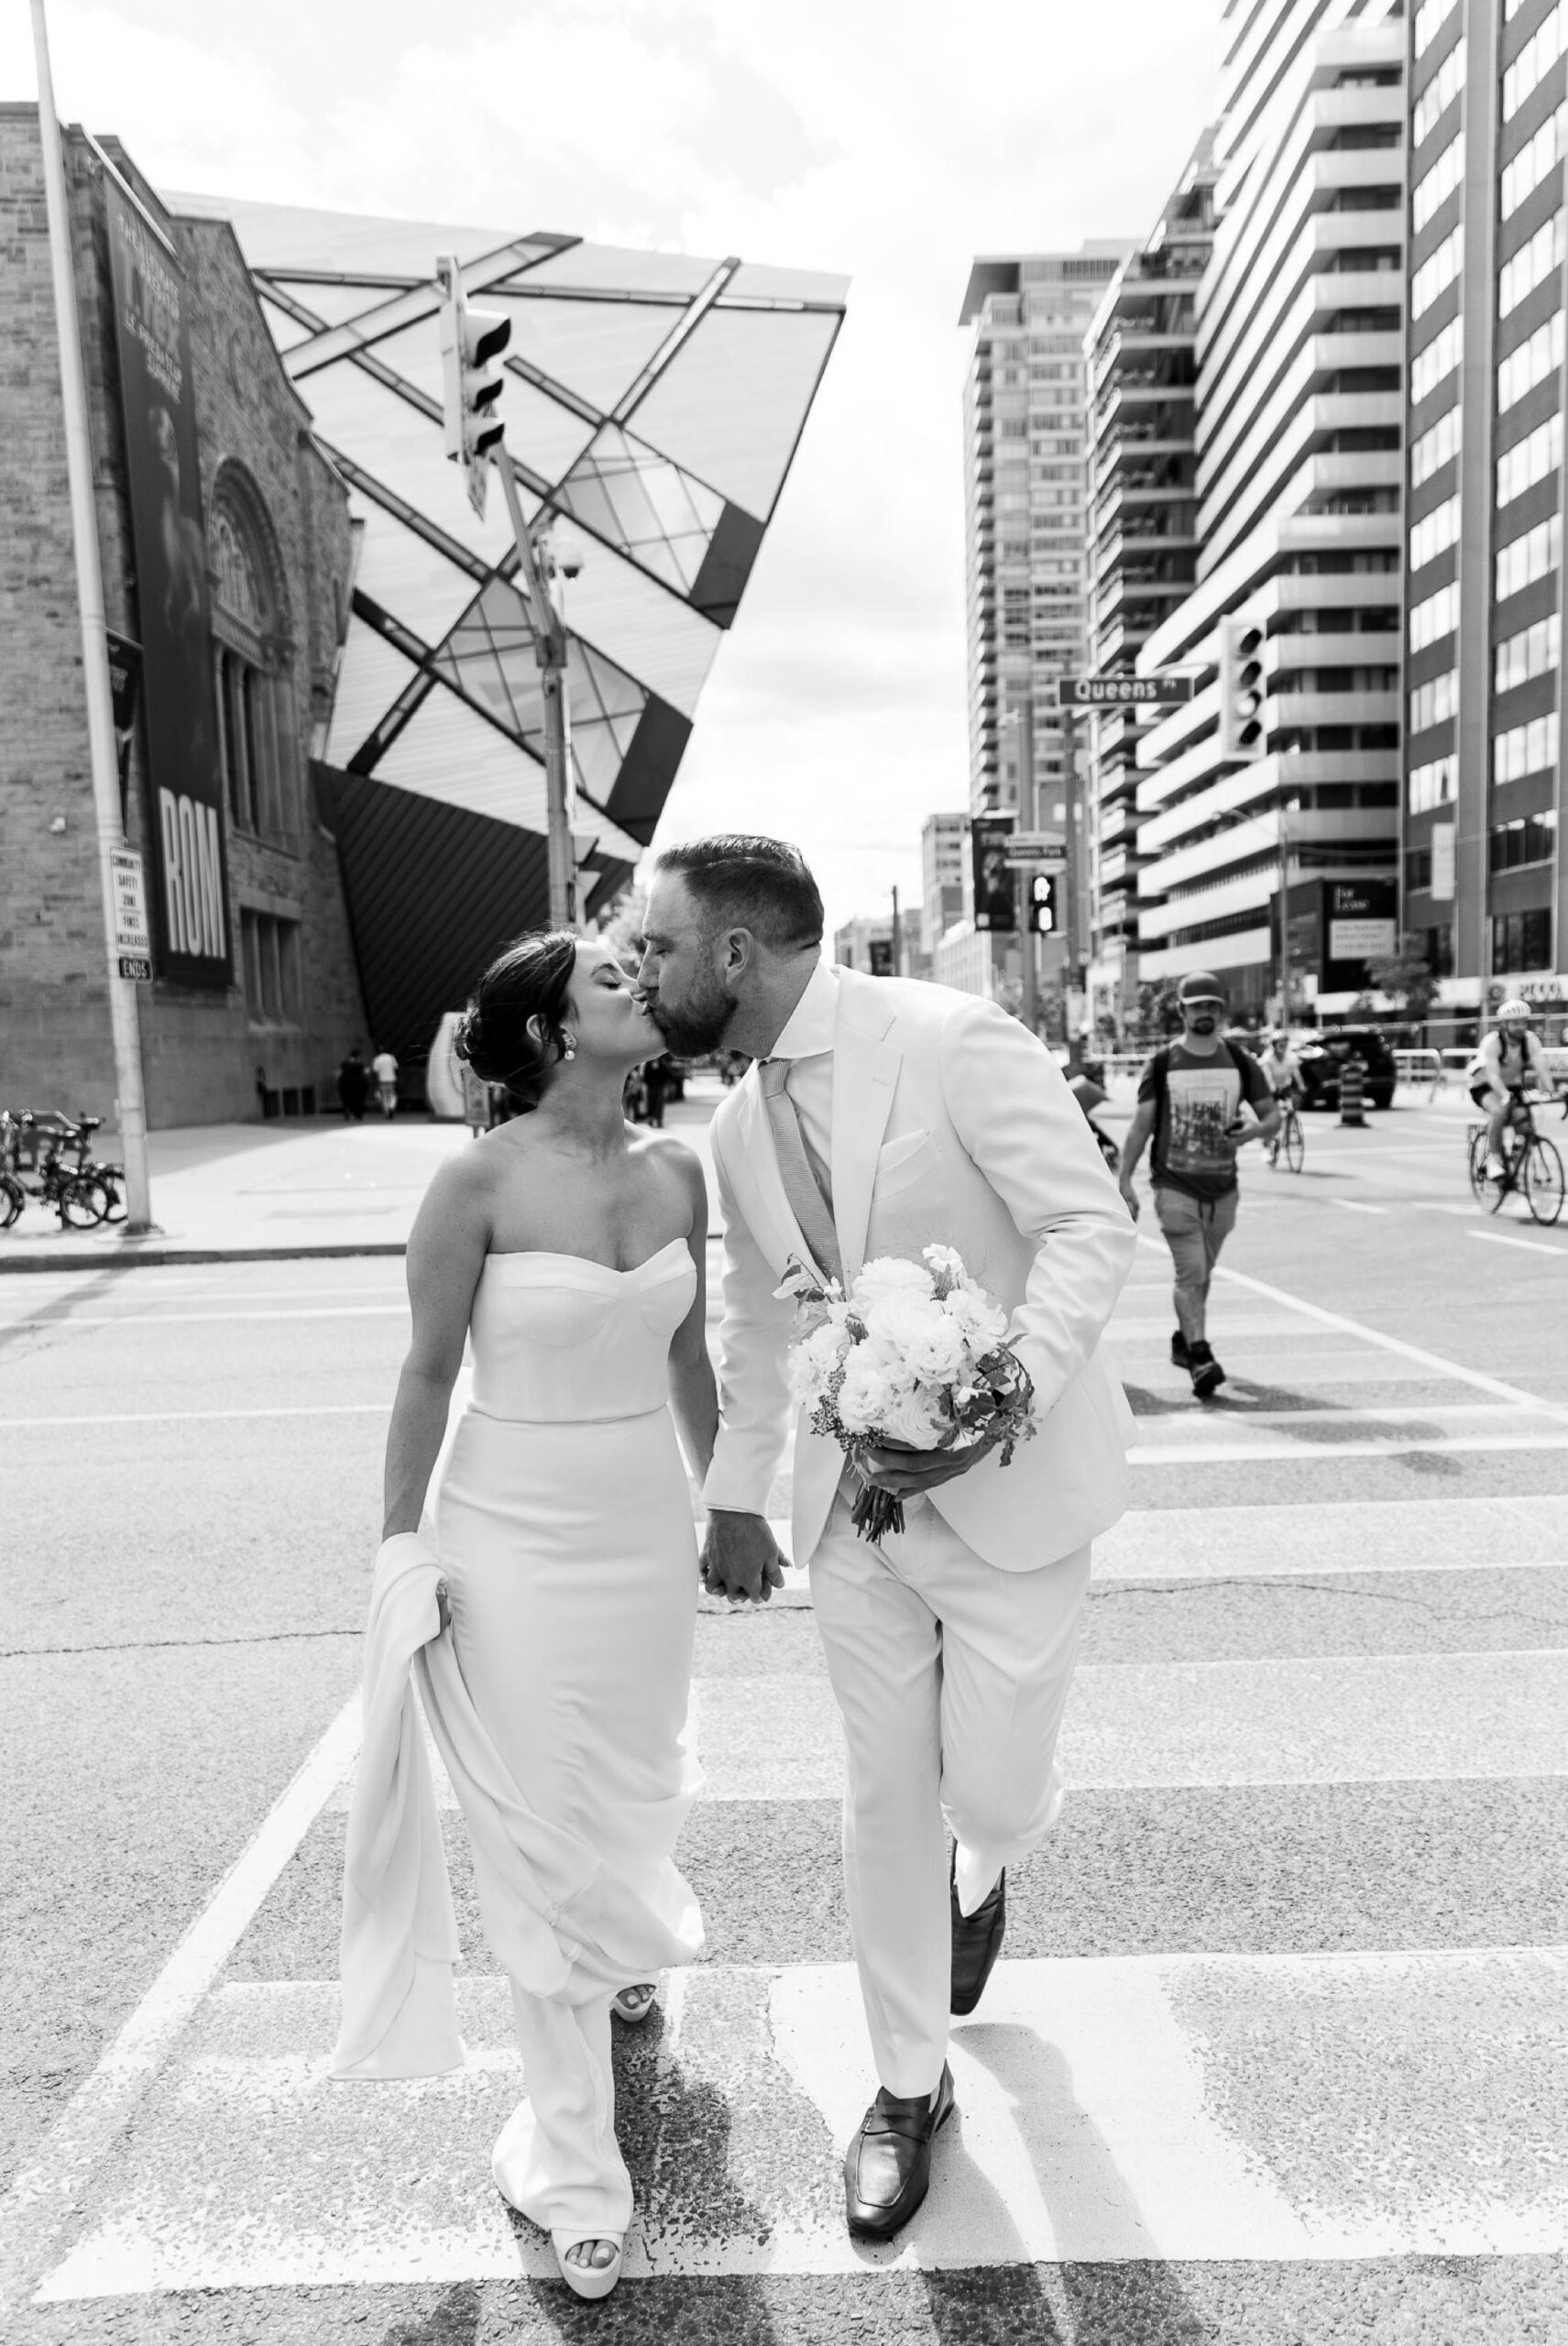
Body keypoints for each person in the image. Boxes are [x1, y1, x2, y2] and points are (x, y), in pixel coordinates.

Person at [636, 835, 1135, 2245]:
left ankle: (988, 1864)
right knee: (876, 1796)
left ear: (734, 953)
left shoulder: (951, 1040)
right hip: (849, 1511)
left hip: (1010, 1492)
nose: (643, 966)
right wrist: (733, 1493)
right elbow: (750, 1315)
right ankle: (904, 2089)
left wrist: (1002, 1396)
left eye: (659, 944)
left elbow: (1084, 1226)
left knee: (987, 1785)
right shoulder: (734, 1125)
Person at [334, 933, 717, 2301]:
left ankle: (623, 1944)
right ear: (550, 1031)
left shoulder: (681, 1170)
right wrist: (398, 1548)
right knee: (540, 1827)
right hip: (510, 1529)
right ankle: (572, 2171)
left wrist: (728, 1500)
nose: (642, 986)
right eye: (613, 977)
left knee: (636, 1778)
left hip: (640, 1523)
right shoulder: (474, 1181)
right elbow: (426, 1370)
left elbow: (684, 1349)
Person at [1117, 972, 1279, 1399]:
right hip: (1174, 1186)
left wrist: (1253, 1131)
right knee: (1190, 1271)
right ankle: (1202, 1357)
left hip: (1223, 1188)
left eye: (1212, 1005)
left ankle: (1183, 1340)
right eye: (1197, 1006)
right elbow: (1141, 1126)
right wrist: (1124, 1181)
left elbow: (1272, 1117)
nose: (1205, 1013)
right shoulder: (1164, 1063)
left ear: (1221, 1011)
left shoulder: (1241, 1061)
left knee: (1203, 1273)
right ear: (1183, 1011)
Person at [1470, 998, 1552, 1177]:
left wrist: (1553, 1092)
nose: (1521, 1027)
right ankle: (1494, 1158)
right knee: (1499, 1111)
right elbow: (1492, 1075)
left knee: (1524, 1122)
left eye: (1524, 1022)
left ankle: (1514, 1157)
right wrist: (1504, 1095)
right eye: (1515, 1023)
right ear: (1504, 1024)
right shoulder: (1493, 1042)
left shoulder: (1530, 1040)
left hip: (1513, 1085)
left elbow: (1542, 1069)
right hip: (1484, 1085)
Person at [1261, 1030, 1302, 1167]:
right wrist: (1272, 1088)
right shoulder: (1268, 1058)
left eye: (1284, 1043)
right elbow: (1267, 1076)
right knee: (1270, 1117)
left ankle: (1291, 1129)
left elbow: (1295, 1073)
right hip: (1269, 1088)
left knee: (1291, 1106)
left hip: (1284, 1087)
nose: (1282, 1046)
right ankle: (1268, 1146)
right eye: (1279, 1044)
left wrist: (1301, 1085)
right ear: (1274, 1045)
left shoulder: (1291, 1057)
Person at [337, 1045, 369, 1124]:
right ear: (358, 1056)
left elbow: (339, 1073)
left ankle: (347, 1110)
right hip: (359, 1083)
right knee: (359, 1099)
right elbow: (366, 1072)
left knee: (347, 1098)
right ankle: (358, 1114)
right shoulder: (360, 1064)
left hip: (345, 1083)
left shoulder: (345, 1063)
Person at [371, 1045, 399, 1120]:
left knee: (384, 1096)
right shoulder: (391, 1057)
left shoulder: (377, 1059)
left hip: (382, 1080)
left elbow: (375, 1071)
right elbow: (396, 1068)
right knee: (392, 1095)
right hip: (391, 1079)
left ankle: (386, 1111)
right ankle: (391, 1107)